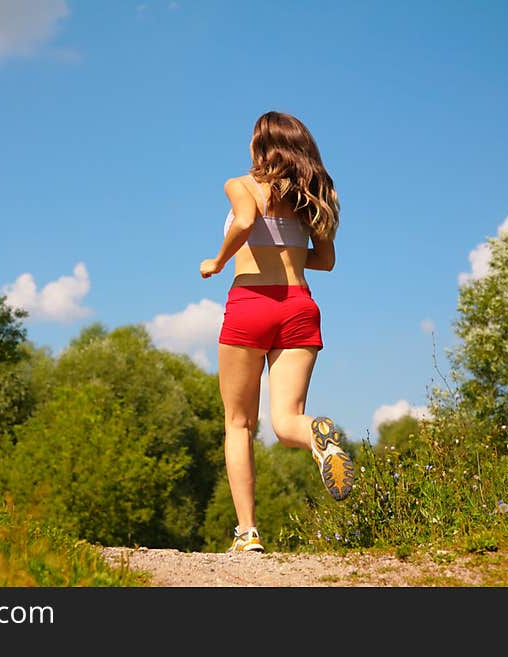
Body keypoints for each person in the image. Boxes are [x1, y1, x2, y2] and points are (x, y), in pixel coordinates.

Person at [200, 110, 354, 553]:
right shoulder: (316, 195)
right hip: (299, 308)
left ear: (259, 145)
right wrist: (286, 252)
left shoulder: (241, 185)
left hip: (251, 304)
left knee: (238, 423)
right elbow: (325, 261)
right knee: (287, 423)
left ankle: (247, 532)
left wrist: (219, 260)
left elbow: (246, 221)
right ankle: (318, 436)